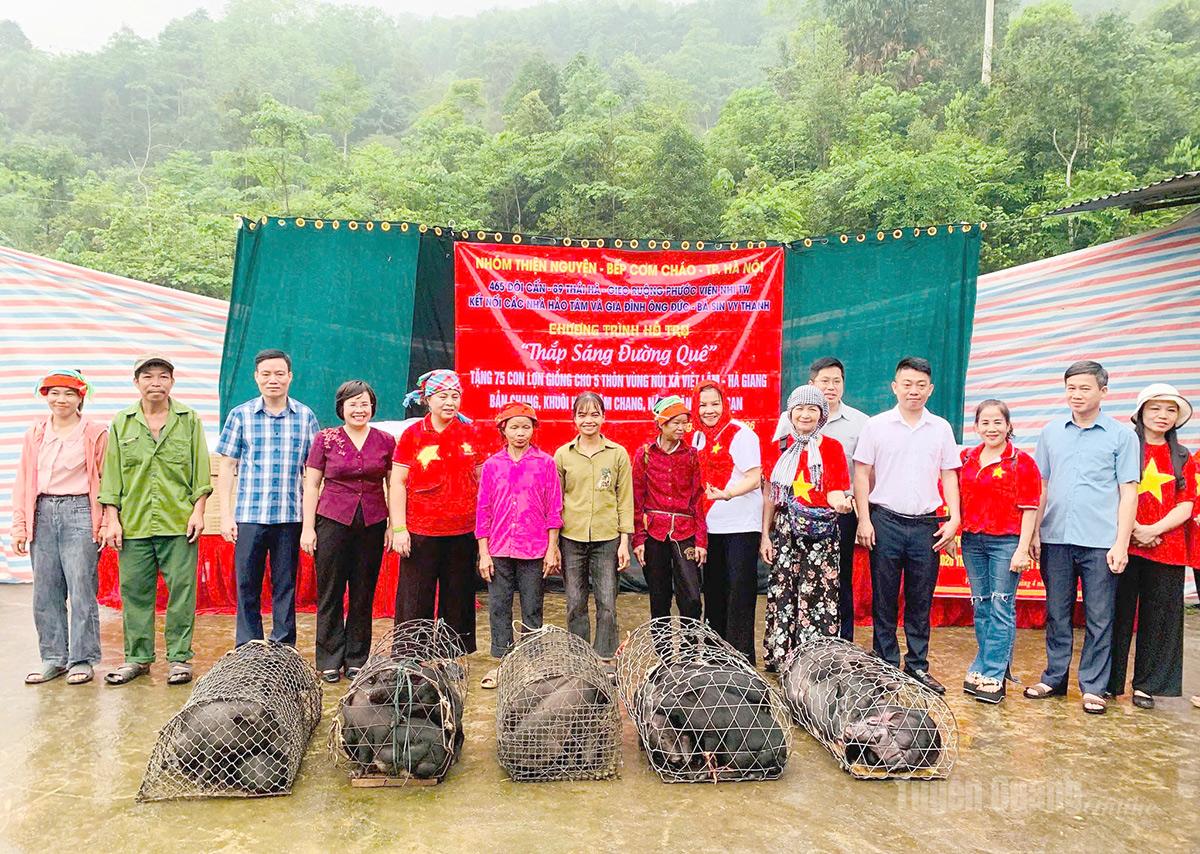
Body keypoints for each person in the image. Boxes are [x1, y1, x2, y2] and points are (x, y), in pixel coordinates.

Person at [1025, 360, 1139, 715]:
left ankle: (1093, 686)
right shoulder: (1051, 432)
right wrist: (1034, 532)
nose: (1076, 395)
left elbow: (1128, 491)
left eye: (1084, 388)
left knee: (1099, 616)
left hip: (1100, 541)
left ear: (1103, 392)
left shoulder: (1122, 436)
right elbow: (1040, 485)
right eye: (1071, 387)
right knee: (1057, 612)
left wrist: (1121, 542)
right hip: (1056, 537)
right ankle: (1054, 677)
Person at [99, 355, 211, 685]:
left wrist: (198, 511)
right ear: (137, 383)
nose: (156, 383)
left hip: (179, 523)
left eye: (163, 376)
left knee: (181, 592)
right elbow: (112, 477)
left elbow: (200, 471)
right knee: (134, 592)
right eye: (148, 377)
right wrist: (112, 520)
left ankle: (179, 658)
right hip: (133, 524)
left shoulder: (189, 419)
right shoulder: (122, 422)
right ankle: (137, 658)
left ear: (172, 382)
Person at [854, 356, 961, 695]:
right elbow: (861, 472)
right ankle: (884, 665)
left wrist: (954, 517)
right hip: (885, 520)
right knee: (883, 597)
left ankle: (917, 665)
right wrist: (864, 518)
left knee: (920, 599)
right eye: (907, 384)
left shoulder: (941, 428)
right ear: (894, 387)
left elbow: (949, 474)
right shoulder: (877, 425)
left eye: (920, 385)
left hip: (927, 525)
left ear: (930, 389)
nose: (913, 391)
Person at [216, 349, 318, 648]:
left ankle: (283, 645)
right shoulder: (241, 414)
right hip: (249, 515)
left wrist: (311, 522)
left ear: (290, 377)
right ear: (256, 378)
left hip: (289, 516)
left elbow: (313, 471)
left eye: (279, 373)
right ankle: (248, 645)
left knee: (285, 584)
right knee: (247, 583)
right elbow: (227, 466)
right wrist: (225, 514)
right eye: (266, 374)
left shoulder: (306, 416)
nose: (273, 380)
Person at [14, 370, 108, 685]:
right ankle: (53, 658)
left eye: (68, 393)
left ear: (81, 396)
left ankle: (82, 659)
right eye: (54, 393)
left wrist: (107, 520)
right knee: (46, 590)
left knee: (82, 587)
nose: (61, 399)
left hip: (80, 511)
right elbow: (24, 480)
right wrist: (20, 525)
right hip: (42, 511)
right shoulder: (36, 433)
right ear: (45, 396)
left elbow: (106, 480)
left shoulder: (95, 433)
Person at [300, 381, 396, 683]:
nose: (359, 409)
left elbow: (394, 485)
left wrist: (394, 524)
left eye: (364, 403)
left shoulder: (386, 440)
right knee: (330, 591)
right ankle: (328, 658)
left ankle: (358, 657)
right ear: (341, 407)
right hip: (331, 521)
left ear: (373, 407)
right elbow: (311, 484)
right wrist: (308, 528)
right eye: (352, 403)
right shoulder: (325, 439)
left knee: (362, 592)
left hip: (372, 522)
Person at [1107, 383, 1195, 709]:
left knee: (1159, 620)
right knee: (1116, 615)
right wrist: (1131, 532)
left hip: (1167, 549)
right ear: (1141, 412)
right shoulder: (1123, 447)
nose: (1162, 416)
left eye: (1170, 410)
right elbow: (1112, 493)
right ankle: (1109, 682)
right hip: (1123, 546)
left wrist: (1152, 530)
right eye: (1155, 408)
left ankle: (1146, 685)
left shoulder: (1184, 457)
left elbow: (1187, 505)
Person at [390, 369, 487, 653]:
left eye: (455, 396)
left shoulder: (471, 434)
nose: (449, 402)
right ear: (427, 400)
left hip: (462, 531)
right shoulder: (413, 435)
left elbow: (483, 485)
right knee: (415, 596)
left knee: (457, 597)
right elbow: (397, 482)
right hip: (421, 531)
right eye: (442, 396)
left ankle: (452, 655)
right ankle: (410, 655)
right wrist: (399, 529)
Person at [760, 385, 851, 671]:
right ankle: (781, 656)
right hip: (786, 532)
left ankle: (814, 660)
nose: (805, 414)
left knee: (818, 595)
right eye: (799, 408)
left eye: (812, 409)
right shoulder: (779, 446)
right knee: (784, 590)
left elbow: (836, 489)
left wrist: (842, 504)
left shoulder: (832, 448)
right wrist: (765, 535)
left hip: (821, 535)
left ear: (822, 414)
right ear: (790, 412)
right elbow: (770, 496)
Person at [958, 399, 1041, 703]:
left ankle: (994, 674)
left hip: (1006, 542)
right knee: (980, 605)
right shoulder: (967, 458)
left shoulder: (1022, 462)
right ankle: (983, 663)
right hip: (973, 541)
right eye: (985, 422)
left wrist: (1022, 549)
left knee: (1001, 606)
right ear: (976, 426)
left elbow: (1030, 509)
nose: (991, 428)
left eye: (998, 422)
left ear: (1008, 426)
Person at [476, 402, 562, 688]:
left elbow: (554, 509)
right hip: (499, 549)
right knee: (499, 606)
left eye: (526, 427)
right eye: (514, 427)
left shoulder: (546, 463)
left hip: (534, 548)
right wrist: (483, 553)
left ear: (534, 430)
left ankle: (533, 667)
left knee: (532, 607)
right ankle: (505, 665)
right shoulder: (491, 465)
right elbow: (483, 510)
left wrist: (552, 548)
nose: (520, 433)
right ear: (503, 430)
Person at [554, 392, 633, 661]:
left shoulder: (617, 454)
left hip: (607, 537)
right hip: (571, 537)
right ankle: (579, 657)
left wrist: (624, 542)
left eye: (595, 414)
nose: (589, 420)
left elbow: (624, 499)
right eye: (582, 414)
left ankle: (605, 656)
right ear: (574, 418)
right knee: (575, 602)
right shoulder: (563, 455)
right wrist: (552, 545)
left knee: (607, 602)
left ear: (604, 417)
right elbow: (555, 501)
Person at [692, 379, 762, 662]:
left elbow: (755, 477)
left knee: (740, 591)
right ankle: (713, 655)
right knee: (714, 590)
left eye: (715, 404)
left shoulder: (742, 433)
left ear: (725, 403)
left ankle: (740, 656)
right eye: (703, 405)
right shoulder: (695, 436)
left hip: (741, 524)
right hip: (711, 526)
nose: (709, 410)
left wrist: (728, 493)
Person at [632, 394, 707, 620]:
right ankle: (662, 652)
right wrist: (638, 539)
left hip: (686, 532)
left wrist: (701, 541)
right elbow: (637, 499)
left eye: (685, 423)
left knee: (692, 598)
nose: (682, 428)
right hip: (654, 534)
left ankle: (688, 652)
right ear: (661, 424)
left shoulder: (692, 456)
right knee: (659, 597)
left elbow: (698, 500)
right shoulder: (644, 454)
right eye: (676, 422)